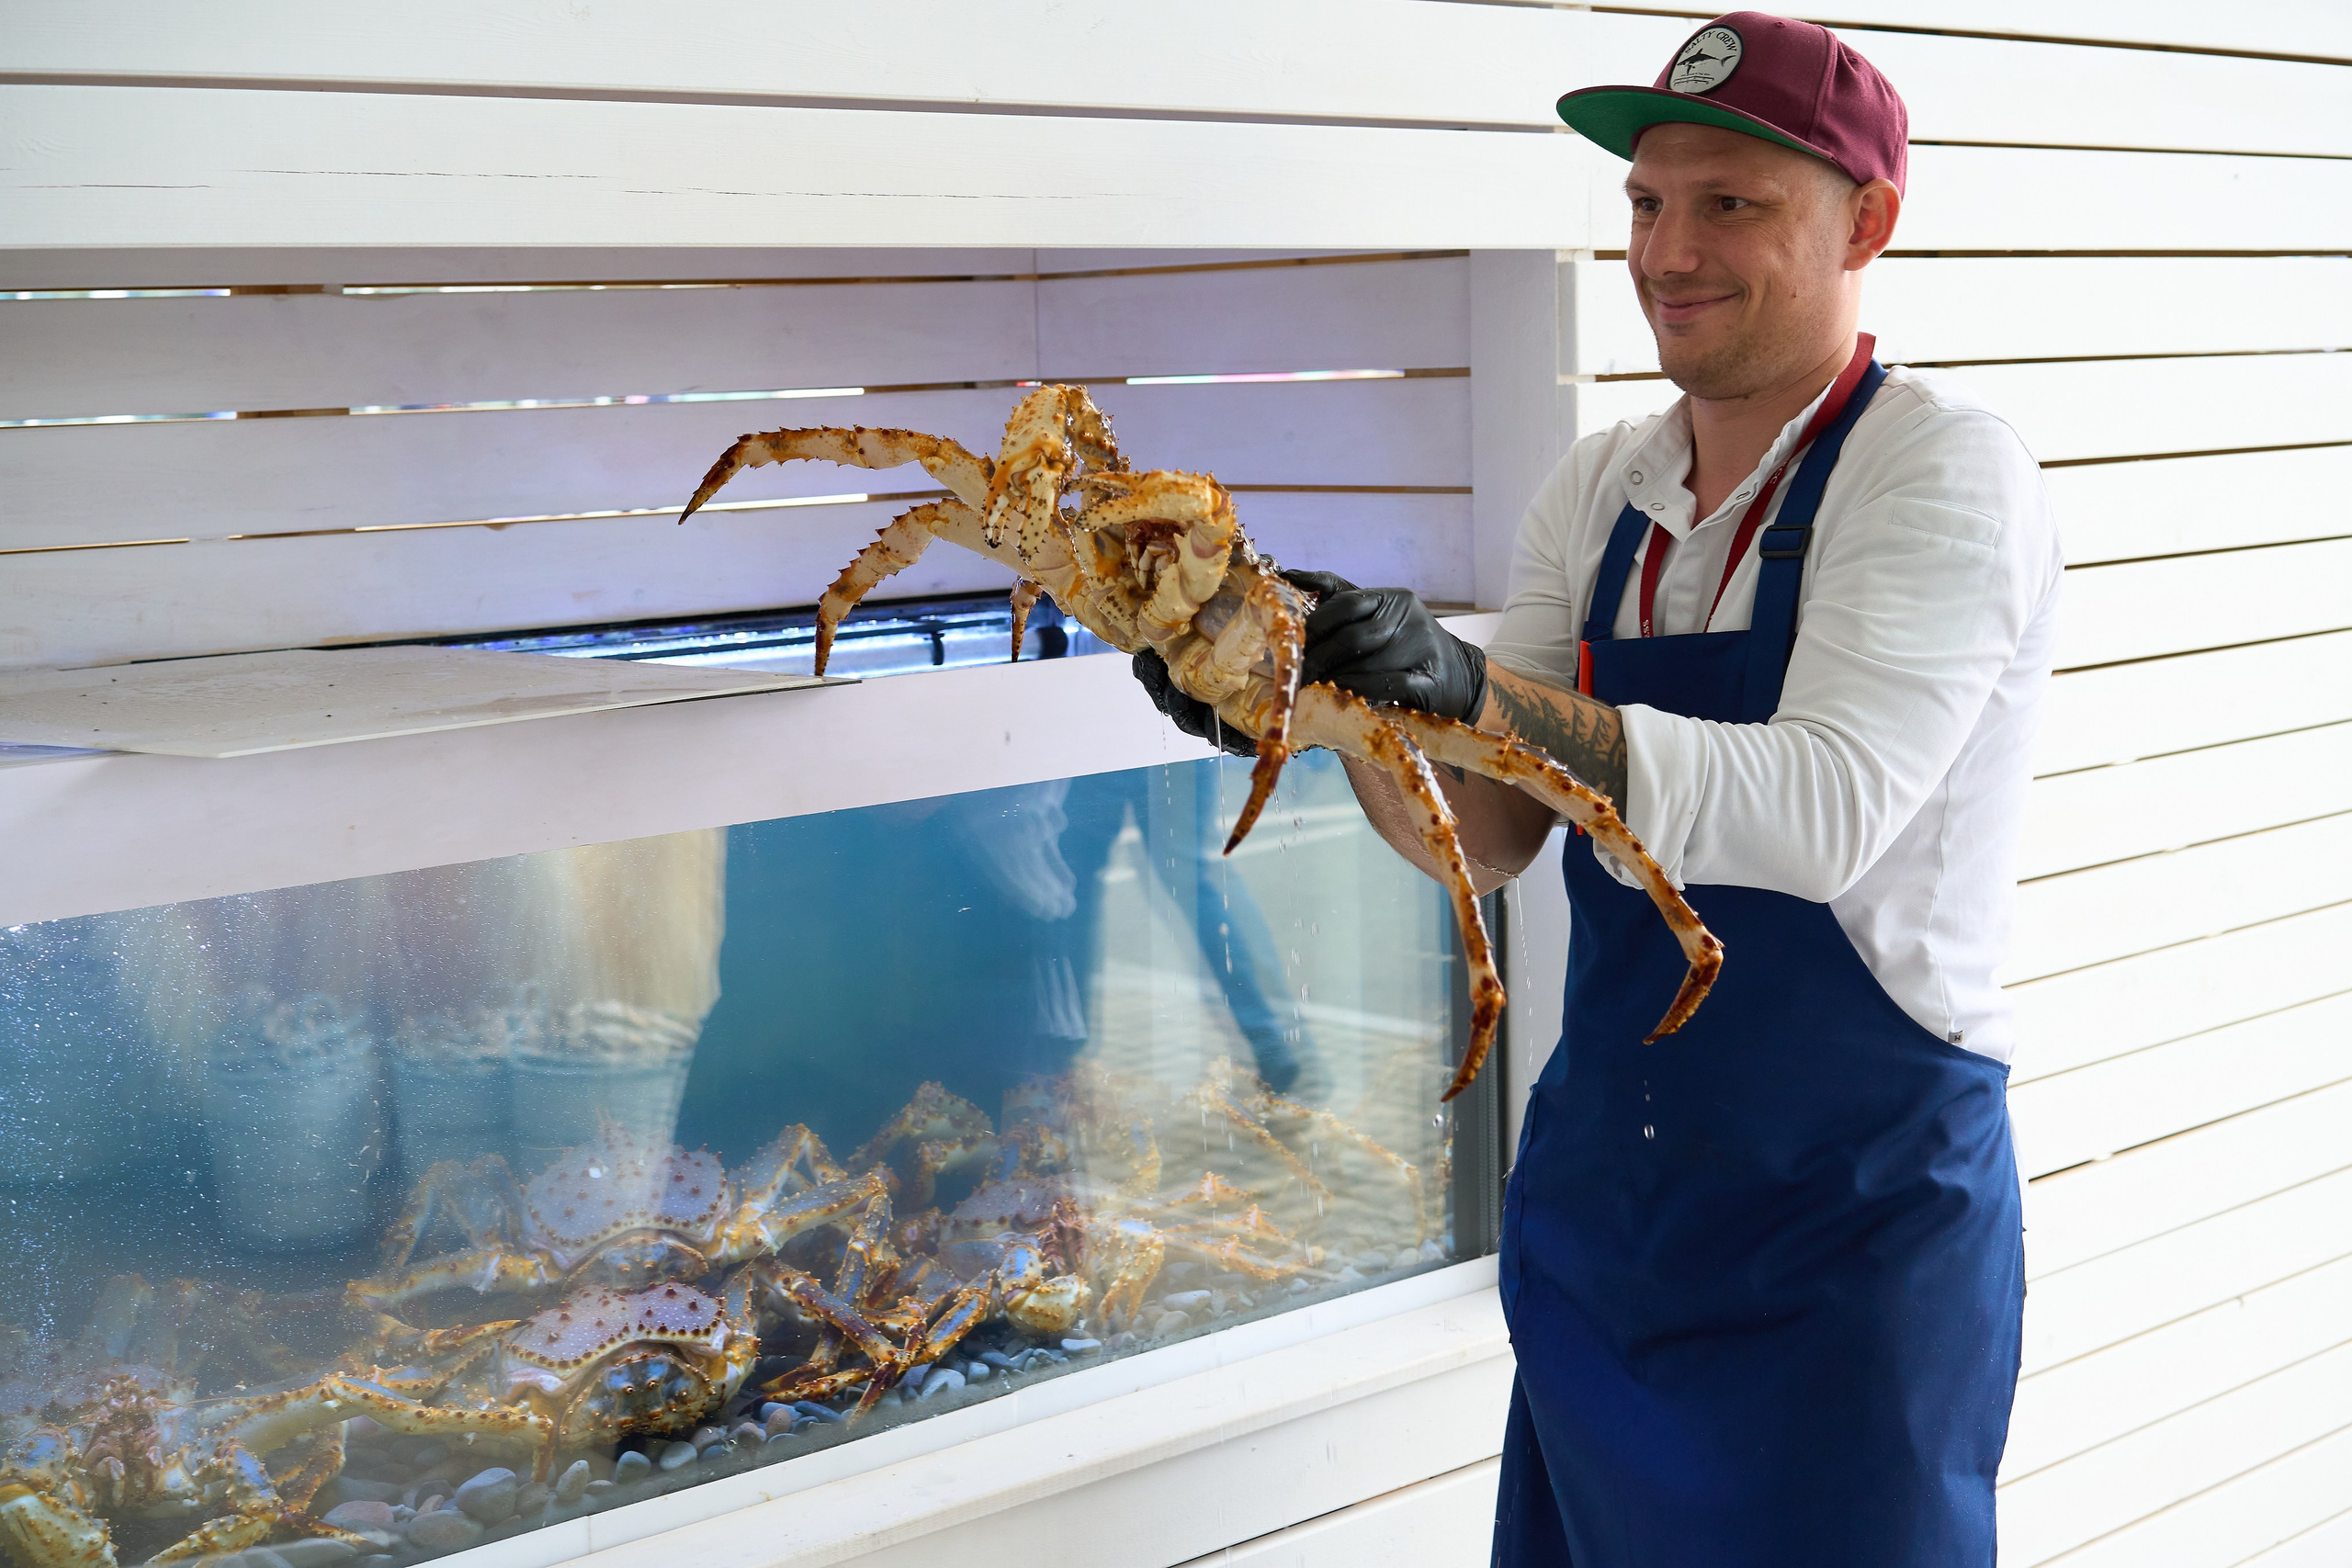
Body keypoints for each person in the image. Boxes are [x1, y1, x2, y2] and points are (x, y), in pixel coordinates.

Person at [1135, 13, 2061, 1562]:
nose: (1668, 253)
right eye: (1645, 204)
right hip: (1610, 1218)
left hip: (1852, 1230)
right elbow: (1493, 833)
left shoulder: (1941, 471)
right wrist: (1328, 714)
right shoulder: (1600, 486)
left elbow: (1820, 811)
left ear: (1868, 224)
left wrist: (1469, 690)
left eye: (1730, 205)